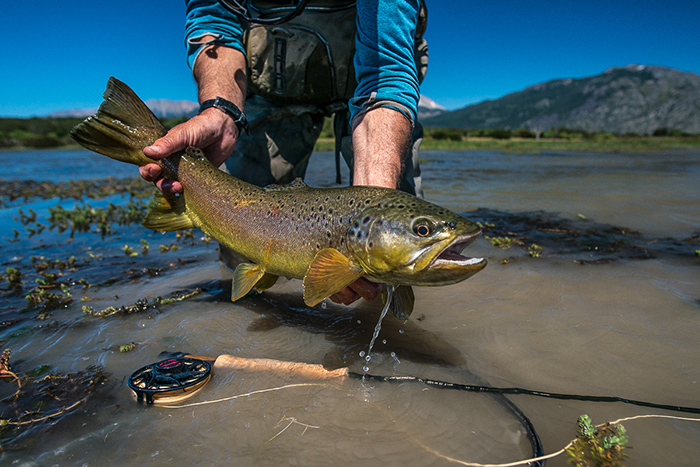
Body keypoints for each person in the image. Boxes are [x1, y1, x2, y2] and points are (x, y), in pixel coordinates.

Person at [139, 0, 428, 305]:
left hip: (374, 84)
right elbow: (216, 22)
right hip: (271, 77)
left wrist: (369, 230)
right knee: (241, 247)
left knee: (401, 259)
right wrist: (221, 110)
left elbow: (385, 75)